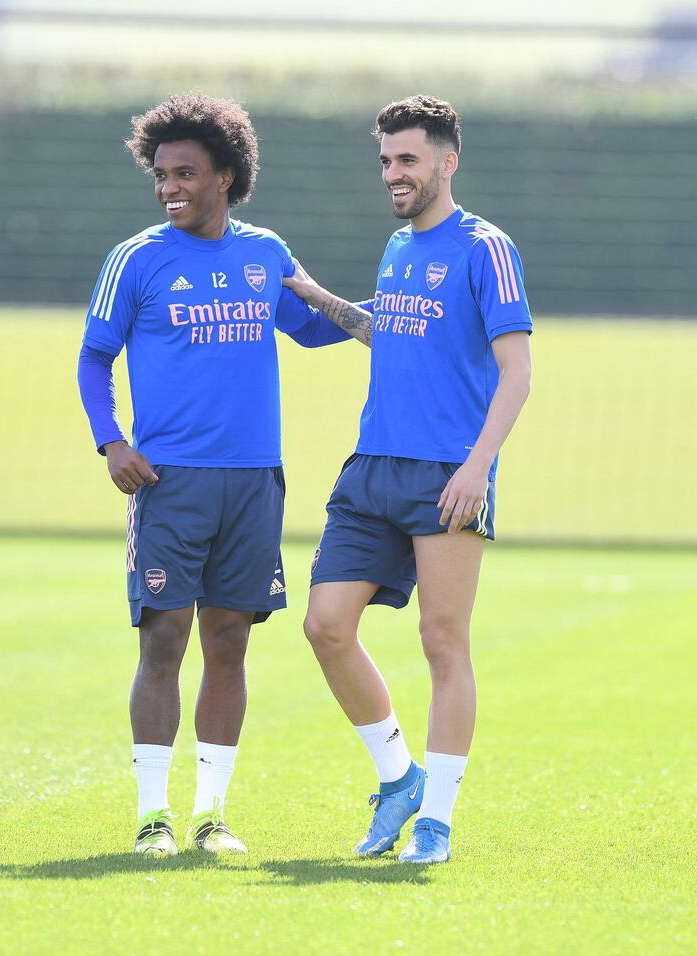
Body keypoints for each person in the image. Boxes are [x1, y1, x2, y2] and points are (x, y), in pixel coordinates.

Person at [77, 92, 357, 857]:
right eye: (161, 174)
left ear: (227, 177)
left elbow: (317, 323)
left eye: (186, 173)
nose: (170, 187)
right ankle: (151, 817)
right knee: (162, 640)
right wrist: (112, 443)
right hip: (169, 484)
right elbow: (93, 356)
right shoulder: (134, 259)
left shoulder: (266, 252)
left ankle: (211, 815)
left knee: (228, 643)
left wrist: (402, 315)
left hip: (254, 482)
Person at [283, 94, 532, 864]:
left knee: (442, 642)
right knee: (324, 626)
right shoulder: (397, 249)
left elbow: (517, 373)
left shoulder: (486, 248)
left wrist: (476, 468)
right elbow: (377, 326)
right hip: (372, 468)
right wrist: (293, 285)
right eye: (386, 160)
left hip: (447, 474)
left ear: (446, 163)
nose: (393, 173)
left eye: (408, 160)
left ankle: (438, 822)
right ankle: (399, 780)